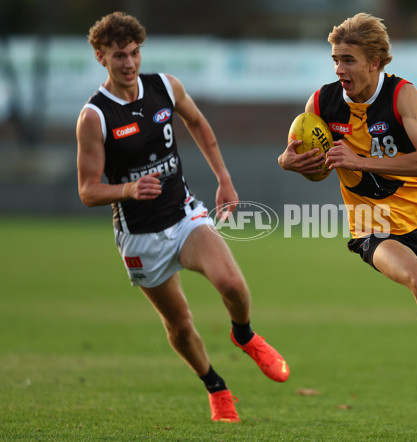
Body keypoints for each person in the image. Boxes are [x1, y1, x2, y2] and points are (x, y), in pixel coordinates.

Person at [278, 12, 417, 419]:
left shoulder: (401, 95)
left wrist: (361, 161)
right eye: (335, 59)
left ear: (374, 63)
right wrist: (290, 162)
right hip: (371, 226)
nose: (339, 69)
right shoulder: (322, 102)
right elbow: (297, 159)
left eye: (348, 59)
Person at [76, 11, 289, 423]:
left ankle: (244, 335)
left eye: (135, 53)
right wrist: (128, 189)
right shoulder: (95, 116)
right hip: (139, 236)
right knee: (179, 324)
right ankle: (216, 386)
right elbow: (87, 191)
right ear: (100, 56)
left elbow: (199, 124)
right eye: (119, 55)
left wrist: (224, 180)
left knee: (231, 282)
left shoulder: (165, 87)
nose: (129, 63)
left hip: (184, 214)